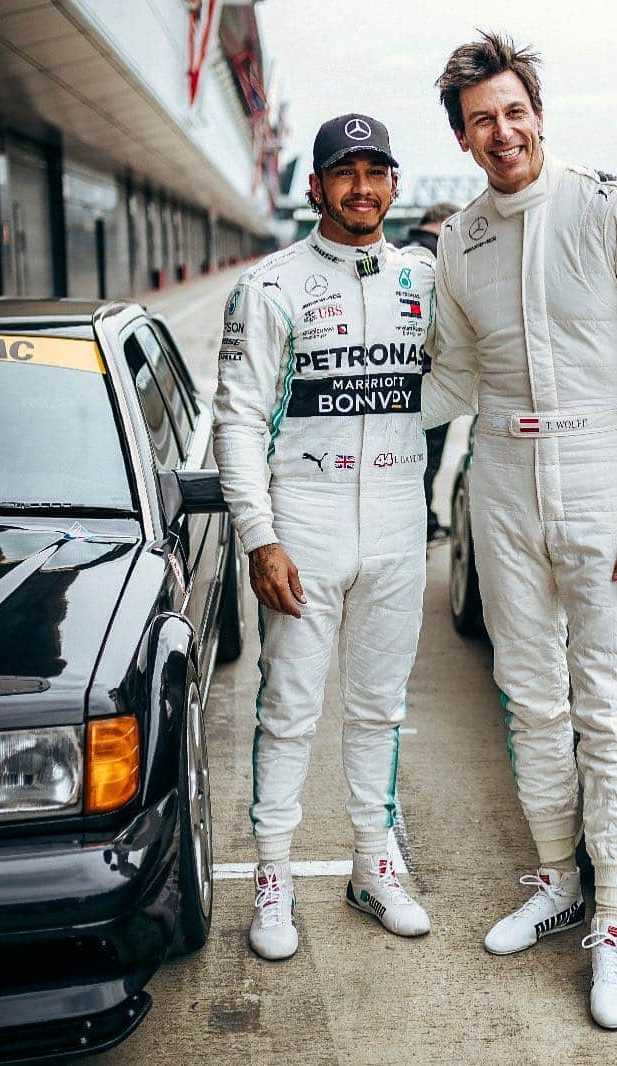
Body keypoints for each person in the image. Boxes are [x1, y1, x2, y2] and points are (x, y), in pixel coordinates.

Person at [423, 33, 617, 1028]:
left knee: (611, 710)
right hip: (499, 475)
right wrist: (350, 397)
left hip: (601, 476)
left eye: (514, 110)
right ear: (463, 137)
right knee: (527, 691)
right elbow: (450, 377)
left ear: (538, 110)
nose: (503, 133)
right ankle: (556, 880)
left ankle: (612, 923)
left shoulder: (612, 205)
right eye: (481, 120)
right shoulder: (459, 240)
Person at [213, 113, 435, 960]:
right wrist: (259, 536)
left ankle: (373, 866)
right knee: (290, 707)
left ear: (394, 183)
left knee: (381, 708)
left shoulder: (422, 277)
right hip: (303, 516)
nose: (362, 187)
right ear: (315, 187)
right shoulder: (269, 285)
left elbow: (450, 376)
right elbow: (236, 420)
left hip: (396, 517)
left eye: (377, 170)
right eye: (346, 172)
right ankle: (273, 875)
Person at [404, 202, 460, 543]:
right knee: (427, 460)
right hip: (432, 374)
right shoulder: (445, 255)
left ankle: (420, 523)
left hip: (395, 378)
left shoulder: (399, 250)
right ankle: (422, 528)